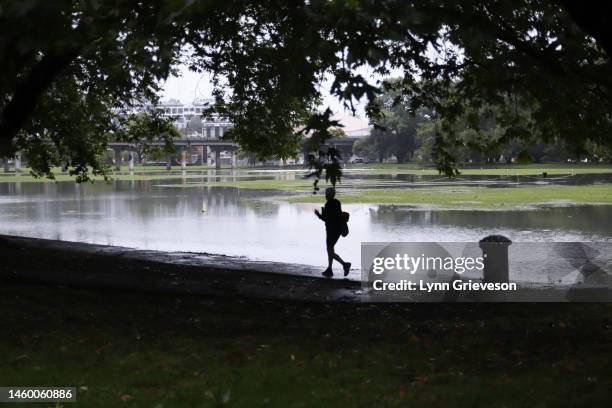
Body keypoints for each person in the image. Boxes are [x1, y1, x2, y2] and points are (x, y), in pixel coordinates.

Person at [314, 187, 351, 277]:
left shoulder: (328, 204)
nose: (325, 195)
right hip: (337, 230)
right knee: (330, 249)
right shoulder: (337, 202)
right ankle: (329, 269)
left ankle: (345, 264)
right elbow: (335, 216)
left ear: (330, 195)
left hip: (331, 230)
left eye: (326, 194)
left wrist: (318, 214)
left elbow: (326, 218)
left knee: (330, 251)